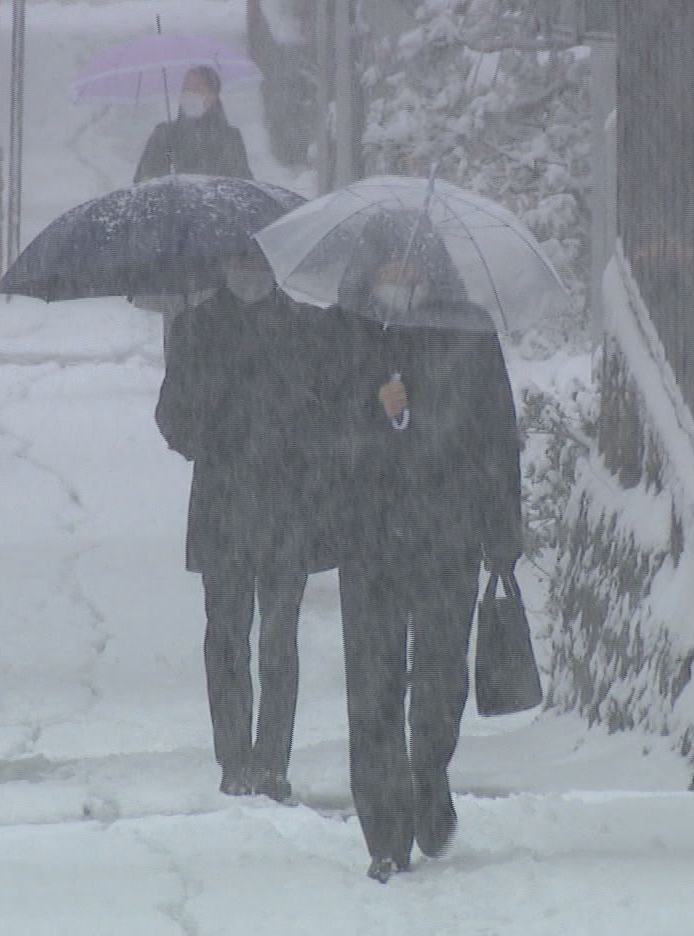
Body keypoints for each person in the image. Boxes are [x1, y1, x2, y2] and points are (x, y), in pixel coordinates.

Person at [323, 215, 523, 883]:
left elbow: (497, 433)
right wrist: (373, 413)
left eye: (410, 266)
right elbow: (319, 433)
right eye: (387, 266)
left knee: (439, 680)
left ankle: (428, 778)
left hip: (448, 533)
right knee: (373, 686)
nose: (398, 279)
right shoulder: (344, 332)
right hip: (370, 537)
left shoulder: (467, 330)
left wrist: (502, 533)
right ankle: (385, 826)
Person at [153, 243, 335, 803]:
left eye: (259, 265)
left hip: (290, 504)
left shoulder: (309, 330)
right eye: (239, 264)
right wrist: (210, 429)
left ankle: (273, 760)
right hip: (224, 504)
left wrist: (299, 441)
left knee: (279, 638)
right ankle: (234, 760)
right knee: (226, 636)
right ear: (224, 268)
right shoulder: (196, 329)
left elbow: (331, 410)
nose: (249, 275)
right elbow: (171, 414)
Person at [134, 65, 254, 183]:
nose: (190, 94)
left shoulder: (230, 136)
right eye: (186, 88)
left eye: (197, 89)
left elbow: (242, 181)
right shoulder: (164, 133)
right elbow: (144, 178)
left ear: (213, 96)